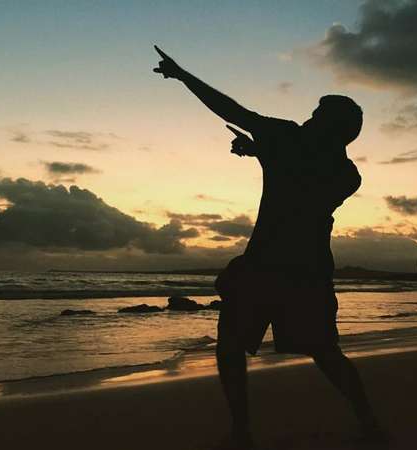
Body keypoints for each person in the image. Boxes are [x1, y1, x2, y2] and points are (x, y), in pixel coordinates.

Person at [153, 45, 383, 450]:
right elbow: (303, 176)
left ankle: (242, 432)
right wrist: (262, 152)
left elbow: (231, 110)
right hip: (309, 271)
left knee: (233, 346)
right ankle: (369, 424)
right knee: (323, 352)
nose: (309, 118)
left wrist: (183, 75)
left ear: (331, 128)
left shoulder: (287, 138)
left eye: (317, 115)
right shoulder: (347, 174)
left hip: (266, 267)